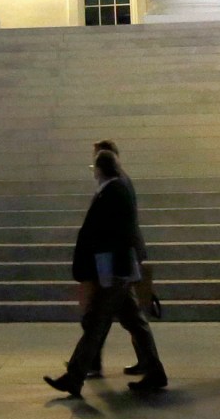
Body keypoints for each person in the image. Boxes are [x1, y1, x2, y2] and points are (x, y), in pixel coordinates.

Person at [46, 149, 166, 396]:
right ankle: (155, 372)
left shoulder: (114, 192)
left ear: (100, 169)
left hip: (114, 272)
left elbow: (112, 237)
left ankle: (74, 376)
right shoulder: (116, 190)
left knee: (97, 323)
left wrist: (107, 272)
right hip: (118, 270)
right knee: (134, 321)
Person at [87, 140, 153, 381]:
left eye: (95, 160)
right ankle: (150, 366)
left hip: (118, 262)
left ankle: (82, 368)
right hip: (121, 261)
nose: (93, 166)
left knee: (100, 317)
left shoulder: (117, 185)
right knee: (129, 317)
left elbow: (119, 226)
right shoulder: (117, 183)